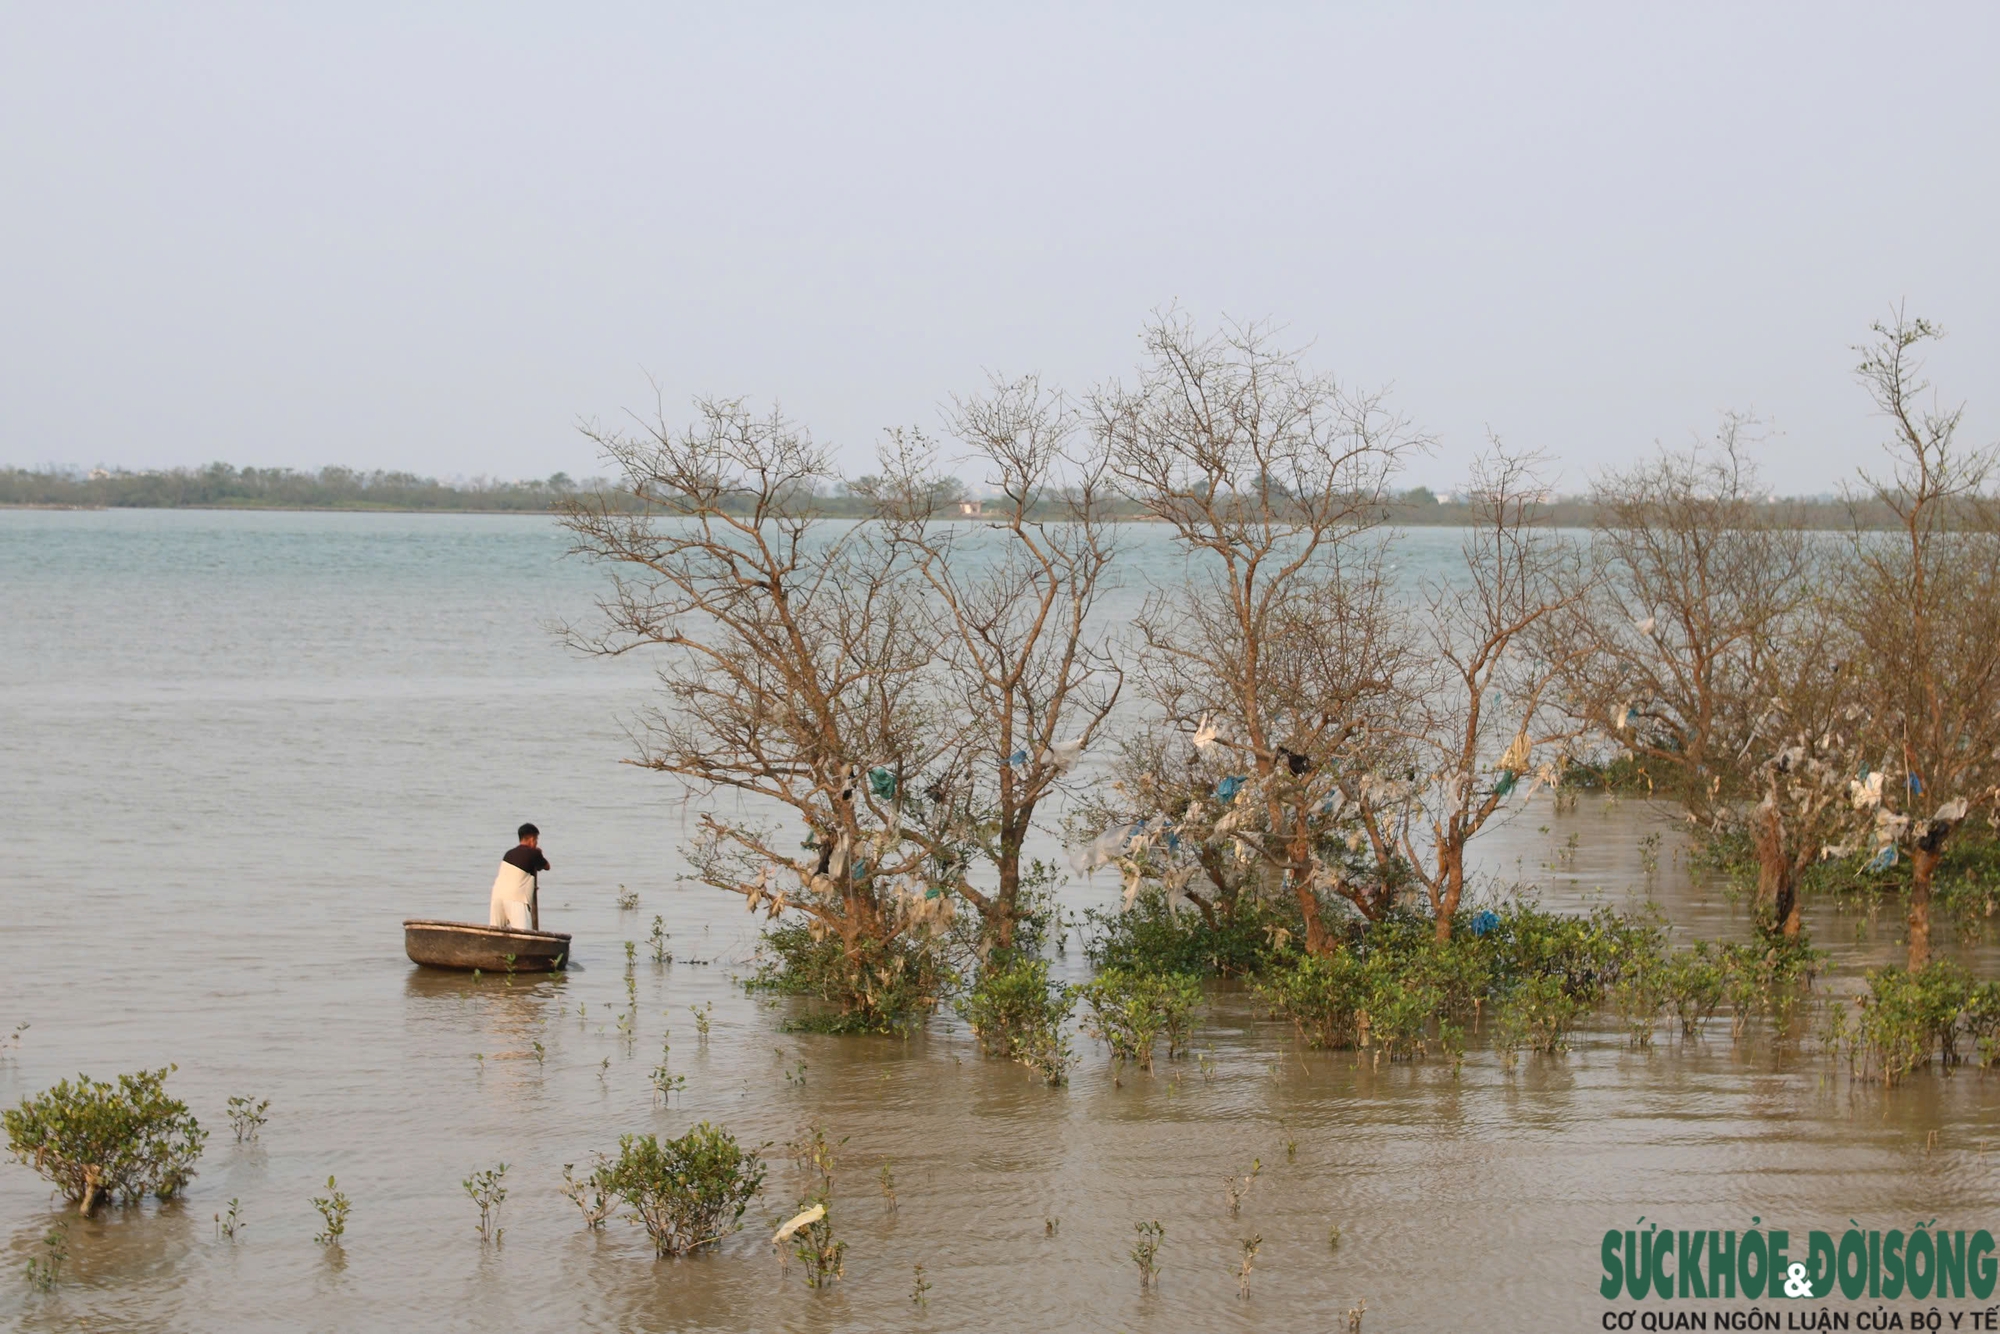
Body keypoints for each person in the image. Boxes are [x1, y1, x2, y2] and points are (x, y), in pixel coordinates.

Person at [489, 823, 550, 931]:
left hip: (497, 896)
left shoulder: (509, 853)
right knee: (523, 934)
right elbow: (547, 866)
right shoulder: (534, 853)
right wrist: (539, 853)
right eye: (536, 840)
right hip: (517, 899)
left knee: (495, 933)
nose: (536, 843)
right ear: (531, 839)